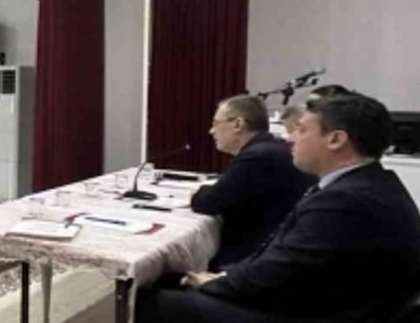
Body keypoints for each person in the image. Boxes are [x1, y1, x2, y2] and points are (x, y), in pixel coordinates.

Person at [136, 93, 420, 323]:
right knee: (171, 279)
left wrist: (213, 283)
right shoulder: (370, 184)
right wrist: (224, 277)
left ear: (335, 139)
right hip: (331, 303)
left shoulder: (346, 202)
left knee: (143, 300)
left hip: (314, 314)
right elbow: (286, 264)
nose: (289, 138)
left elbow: (276, 277)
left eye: (301, 130)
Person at [190, 95, 313, 268]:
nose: (211, 131)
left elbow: (206, 203)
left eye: (216, 123)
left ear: (238, 124)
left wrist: (200, 192)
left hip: (253, 261)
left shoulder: (258, 157)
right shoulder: (271, 148)